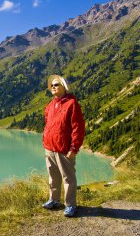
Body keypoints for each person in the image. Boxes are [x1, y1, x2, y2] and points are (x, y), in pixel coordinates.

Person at [42, 75, 85, 217]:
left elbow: (78, 127)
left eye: (56, 84)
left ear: (64, 86)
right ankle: (54, 200)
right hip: (50, 147)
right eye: (51, 85)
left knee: (68, 178)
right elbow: (48, 124)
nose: (53, 87)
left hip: (64, 148)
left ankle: (70, 205)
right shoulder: (50, 105)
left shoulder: (72, 103)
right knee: (53, 177)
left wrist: (74, 148)